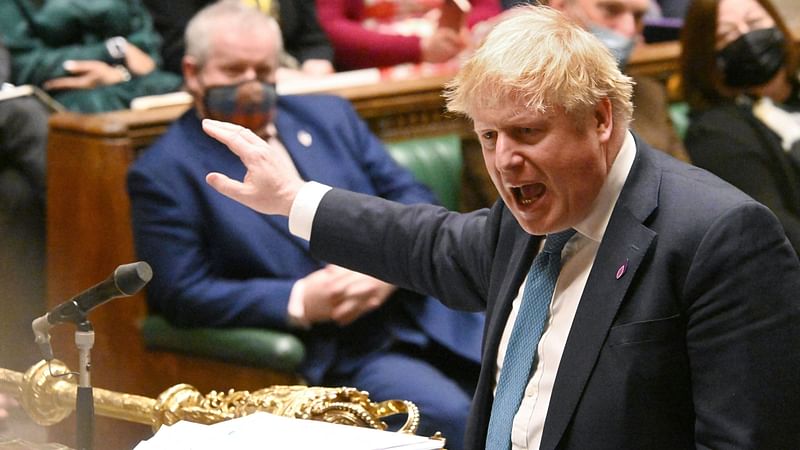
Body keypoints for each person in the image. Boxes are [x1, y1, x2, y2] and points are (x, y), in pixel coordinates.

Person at [202, 5, 800, 449]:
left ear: (599, 119)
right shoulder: (528, 218)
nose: (503, 160)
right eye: (489, 136)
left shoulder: (720, 236)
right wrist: (293, 199)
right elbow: (425, 242)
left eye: (528, 132)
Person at [126, 3, 483, 449]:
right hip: (341, 350)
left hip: (429, 311)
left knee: (537, 383)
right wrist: (299, 300)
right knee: (454, 416)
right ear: (193, 72)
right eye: (234, 70)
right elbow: (180, 292)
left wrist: (385, 265)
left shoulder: (329, 117)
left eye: (264, 69)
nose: (251, 83)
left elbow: (414, 197)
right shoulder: (165, 170)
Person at [681, 0, 800, 256]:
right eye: (727, 34)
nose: (748, 37)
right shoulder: (714, 133)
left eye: (755, 22)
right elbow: (772, 226)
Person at [0, 0, 182, 113]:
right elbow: (21, 63)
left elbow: (147, 56)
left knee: (179, 90)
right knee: (95, 108)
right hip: (58, 93)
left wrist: (120, 72)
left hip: (129, 80)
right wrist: (110, 51)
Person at [143, 0, 335, 80]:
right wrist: (268, 73)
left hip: (299, 79)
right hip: (227, 87)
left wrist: (317, 62)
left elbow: (312, 38)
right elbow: (179, 49)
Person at [316, 0, 501, 71]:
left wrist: (458, 30)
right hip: (376, 69)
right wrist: (419, 48)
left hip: (458, 61)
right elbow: (330, 26)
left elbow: (488, 7)